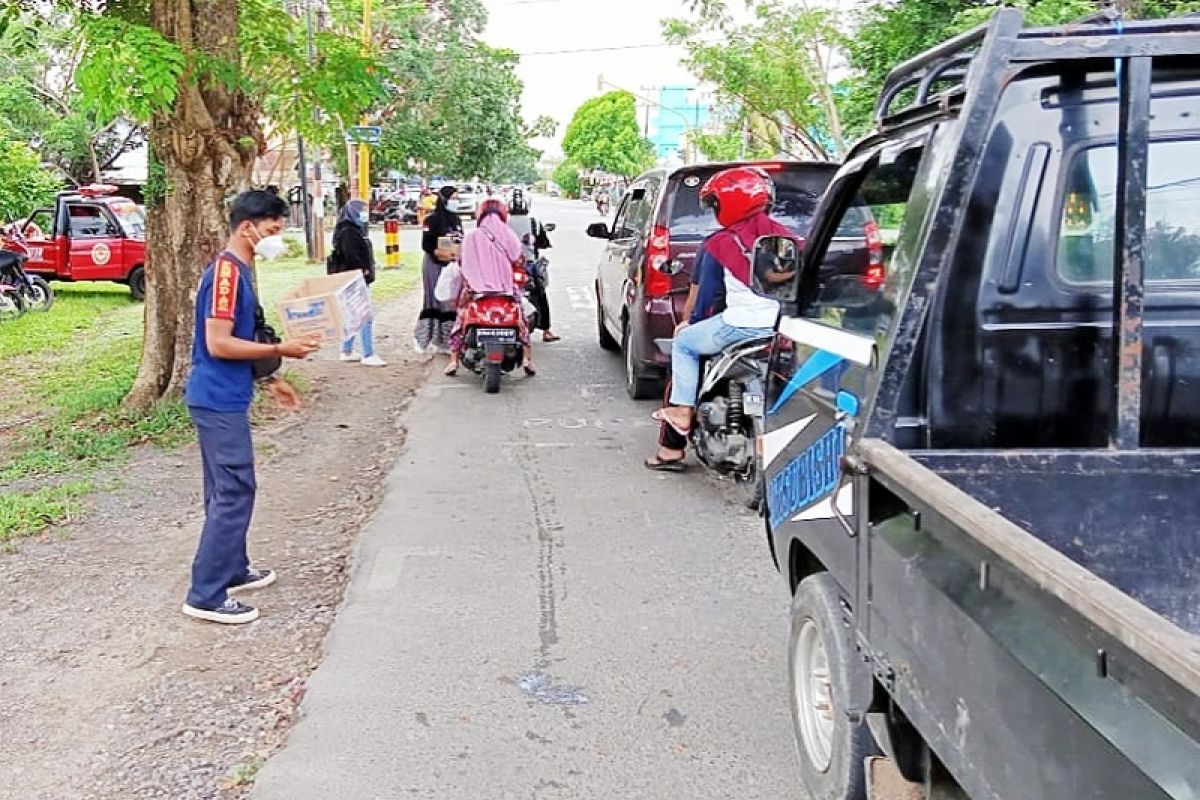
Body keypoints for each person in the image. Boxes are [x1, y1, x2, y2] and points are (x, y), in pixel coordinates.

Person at [182, 190, 321, 624]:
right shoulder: (226, 274)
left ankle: (234, 567)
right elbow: (218, 342)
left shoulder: (241, 271)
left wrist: (272, 377)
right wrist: (284, 348)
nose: (277, 238)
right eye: (273, 230)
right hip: (217, 400)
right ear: (248, 228)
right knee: (235, 490)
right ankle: (205, 593)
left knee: (223, 489)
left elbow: (247, 335)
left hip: (226, 395)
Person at [646, 166, 798, 471]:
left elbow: (703, 303)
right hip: (782, 328)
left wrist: (688, 322)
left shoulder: (718, 244)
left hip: (737, 327)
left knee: (685, 346)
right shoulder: (788, 238)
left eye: (715, 205)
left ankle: (674, 438)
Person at [444, 198, 536, 377]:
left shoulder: (471, 236)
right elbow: (518, 257)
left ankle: (453, 361)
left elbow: (462, 261)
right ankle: (527, 359)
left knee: (461, 320)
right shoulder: (509, 234)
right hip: (506, 290)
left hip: (476, 290)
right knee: (522, 320)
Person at [330, 199, 385, 367]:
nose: (365, 213)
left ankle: (346, 350)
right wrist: (362, 269)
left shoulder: (353, 228)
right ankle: (368, 353)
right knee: (364, 315)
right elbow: (351, 254)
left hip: (353, 277)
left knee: (353, 315)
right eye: (362, 210)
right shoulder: (348, 231)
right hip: (354, 278)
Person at [415, 185, 463, 354]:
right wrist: (441, 254)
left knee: (451, 301)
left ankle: (450, 339)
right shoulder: (431, 220)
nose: (456, 202)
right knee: (436, 299)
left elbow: (458, 240)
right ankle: (432, 339)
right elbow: (426, 244)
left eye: (458, 198)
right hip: (434, 264)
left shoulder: (456, 220)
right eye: (453, 198)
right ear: (444, 200)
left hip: (451, 265)